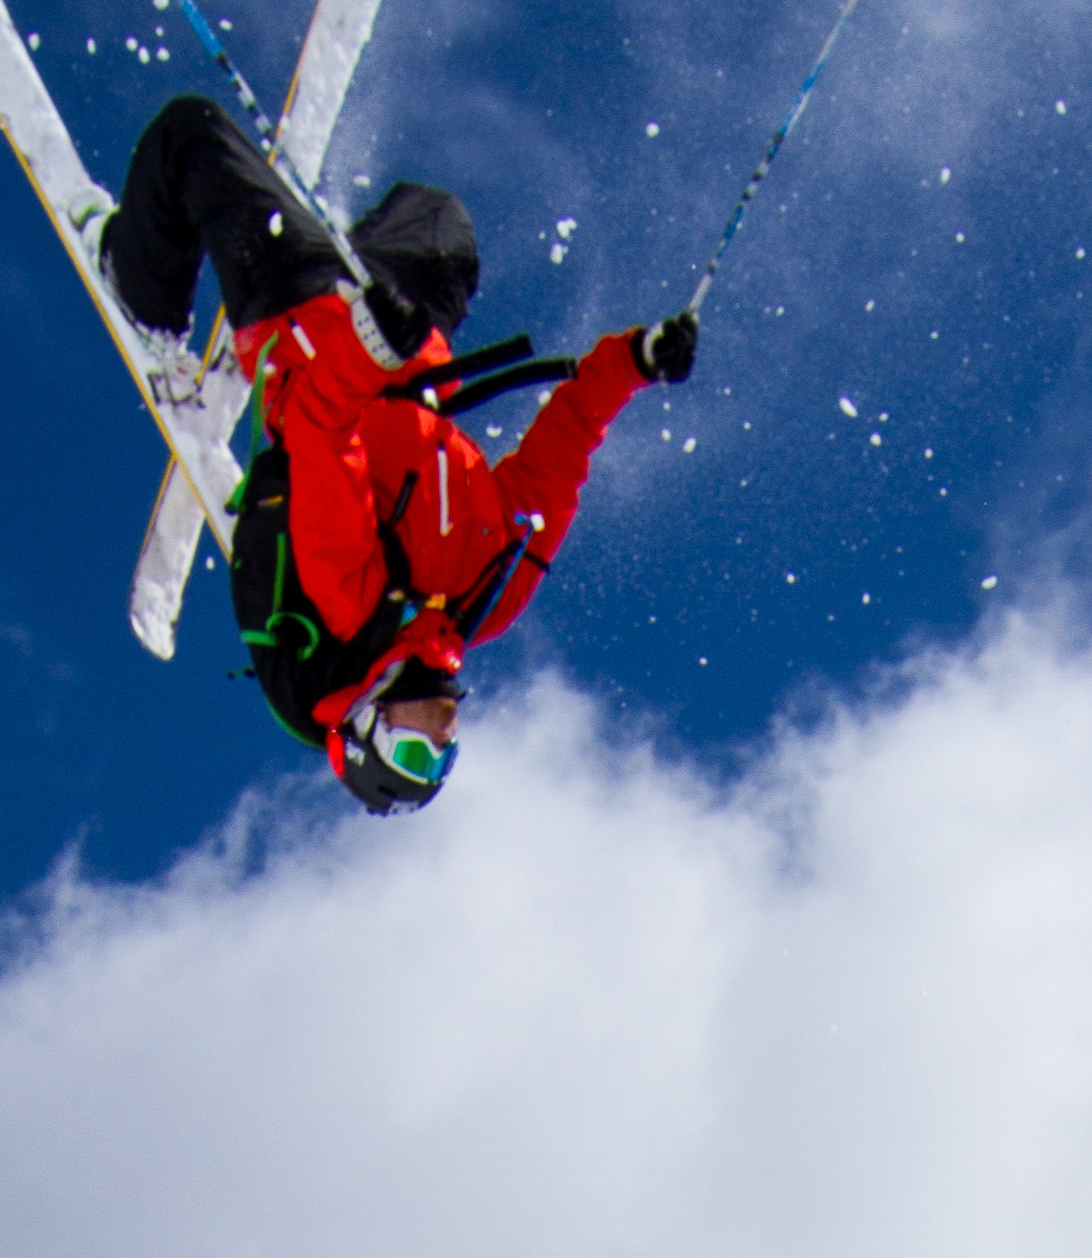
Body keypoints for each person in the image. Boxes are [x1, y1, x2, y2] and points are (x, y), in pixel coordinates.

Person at [100, 92, 695, 812]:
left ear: (364, 723)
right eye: (443, 760)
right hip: (407, 335)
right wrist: (634, 362)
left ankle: (139, 292)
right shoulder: (491, 594)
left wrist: (366, 344)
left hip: (306, 321)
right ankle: (338, 239)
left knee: (190, 134)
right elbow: (565, 447)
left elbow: (322, 427)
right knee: (443, 228)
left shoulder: (351, 598)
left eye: (414, 751)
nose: (442, 738)